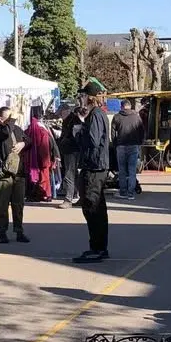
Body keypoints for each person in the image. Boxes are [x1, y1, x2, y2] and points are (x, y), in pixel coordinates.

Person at [74, 81, 111, 263]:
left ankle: (98, 247)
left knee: (93, 208)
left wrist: (79, 130)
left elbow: (93, 140)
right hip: (96, 166)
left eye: (82, 95)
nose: (80, 99)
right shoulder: (97, 114)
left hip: (95, 167)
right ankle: (98, 246)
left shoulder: (96, 115)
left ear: (89, 97)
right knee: (95, 209)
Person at [0, 107, 29, 245]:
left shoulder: (17, 129)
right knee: (2, 204)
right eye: (8, 119)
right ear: (1, 119)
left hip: (19, 173)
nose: (11, 122)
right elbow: (5, 133)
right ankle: (2, 232)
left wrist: (23, 143)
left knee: (18, 204)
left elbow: (29, 140)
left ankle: (19, 230)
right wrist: (11, 121)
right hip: (5, 174)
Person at [112, 98, 145, 200]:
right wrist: (139, 143)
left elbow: (113, 133)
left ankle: (123, 192)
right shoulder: (136, 117)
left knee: (122, 170)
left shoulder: (117, 117)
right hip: (134, 146)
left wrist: (115, 144)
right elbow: (142, 131)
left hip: (121, 146)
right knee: (132, 171)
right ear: (130, 106)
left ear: (121, 106)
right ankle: (131, 193)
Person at [25, 107, 57, 201]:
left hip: (32, 158)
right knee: (44, 177)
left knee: (35, 177)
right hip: (43, 158)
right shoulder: (43, 130)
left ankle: (36, 195)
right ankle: (46, 195)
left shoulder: (29, 130)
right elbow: (46, 146)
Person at [58, 104, 83, 208]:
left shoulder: (73, 120)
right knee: (74, 174)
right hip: (70, 150)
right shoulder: (69, 120)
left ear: (66, 111)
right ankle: (78, 195)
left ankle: (68, 199)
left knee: (69, 174)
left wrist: (64, 141)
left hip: (72, 150)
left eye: (61, 113)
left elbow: (74, 136)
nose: (60, 115)